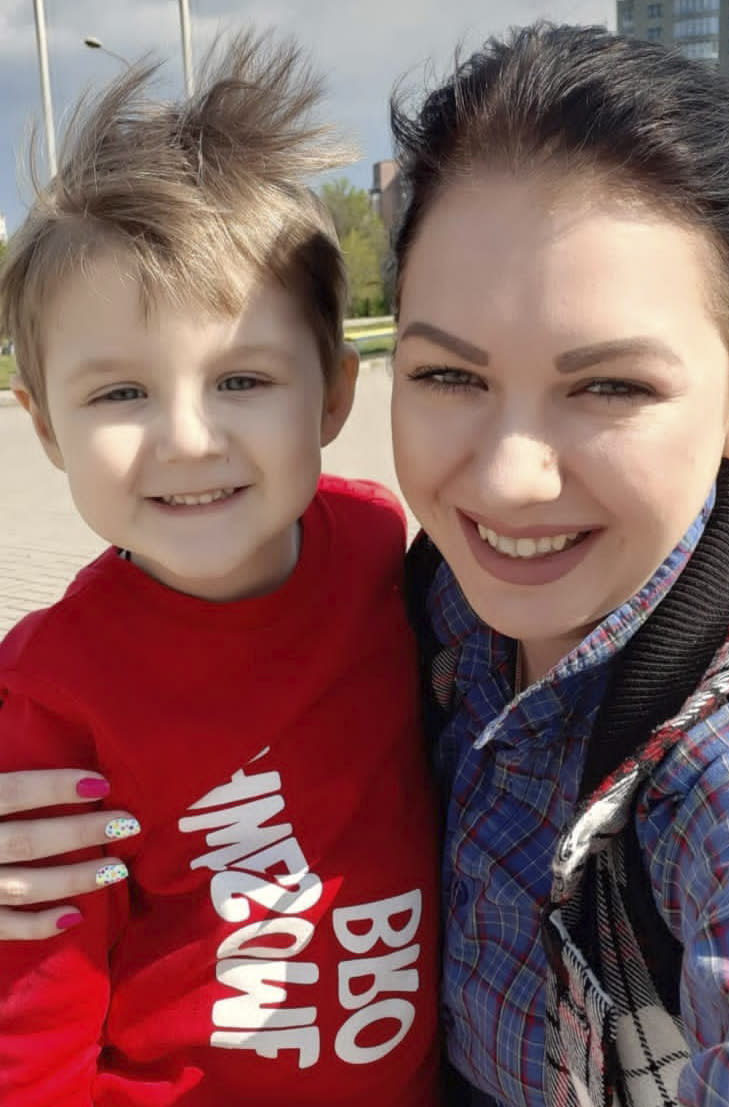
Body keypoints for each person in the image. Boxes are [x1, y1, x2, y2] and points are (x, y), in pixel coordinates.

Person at [3, 20, 729, 1107]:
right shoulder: (436, 597)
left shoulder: (708, 785)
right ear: (44, 426)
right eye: (449, 375)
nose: (511, 479)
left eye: (609, 385)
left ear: (333, 392)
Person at [0, 31, 440, 1107]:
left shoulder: (378, 548)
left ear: (334, 397)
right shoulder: (48, 695)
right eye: (118, 394)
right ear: (44, 427)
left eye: (242, 379)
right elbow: (33, 1017)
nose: (187, 438)